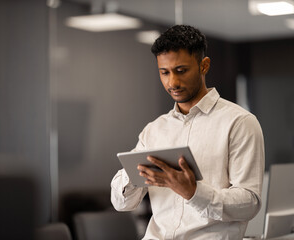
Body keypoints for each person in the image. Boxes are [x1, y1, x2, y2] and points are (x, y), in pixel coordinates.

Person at [110, 25, 264, 240]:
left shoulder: (239, 123)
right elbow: (123, 204)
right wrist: (133, 173)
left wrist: (193, 192)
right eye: (164, 72)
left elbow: (250, 203)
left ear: (204, 66)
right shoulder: (154, 130)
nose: (172, 82)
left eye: (181, 70)